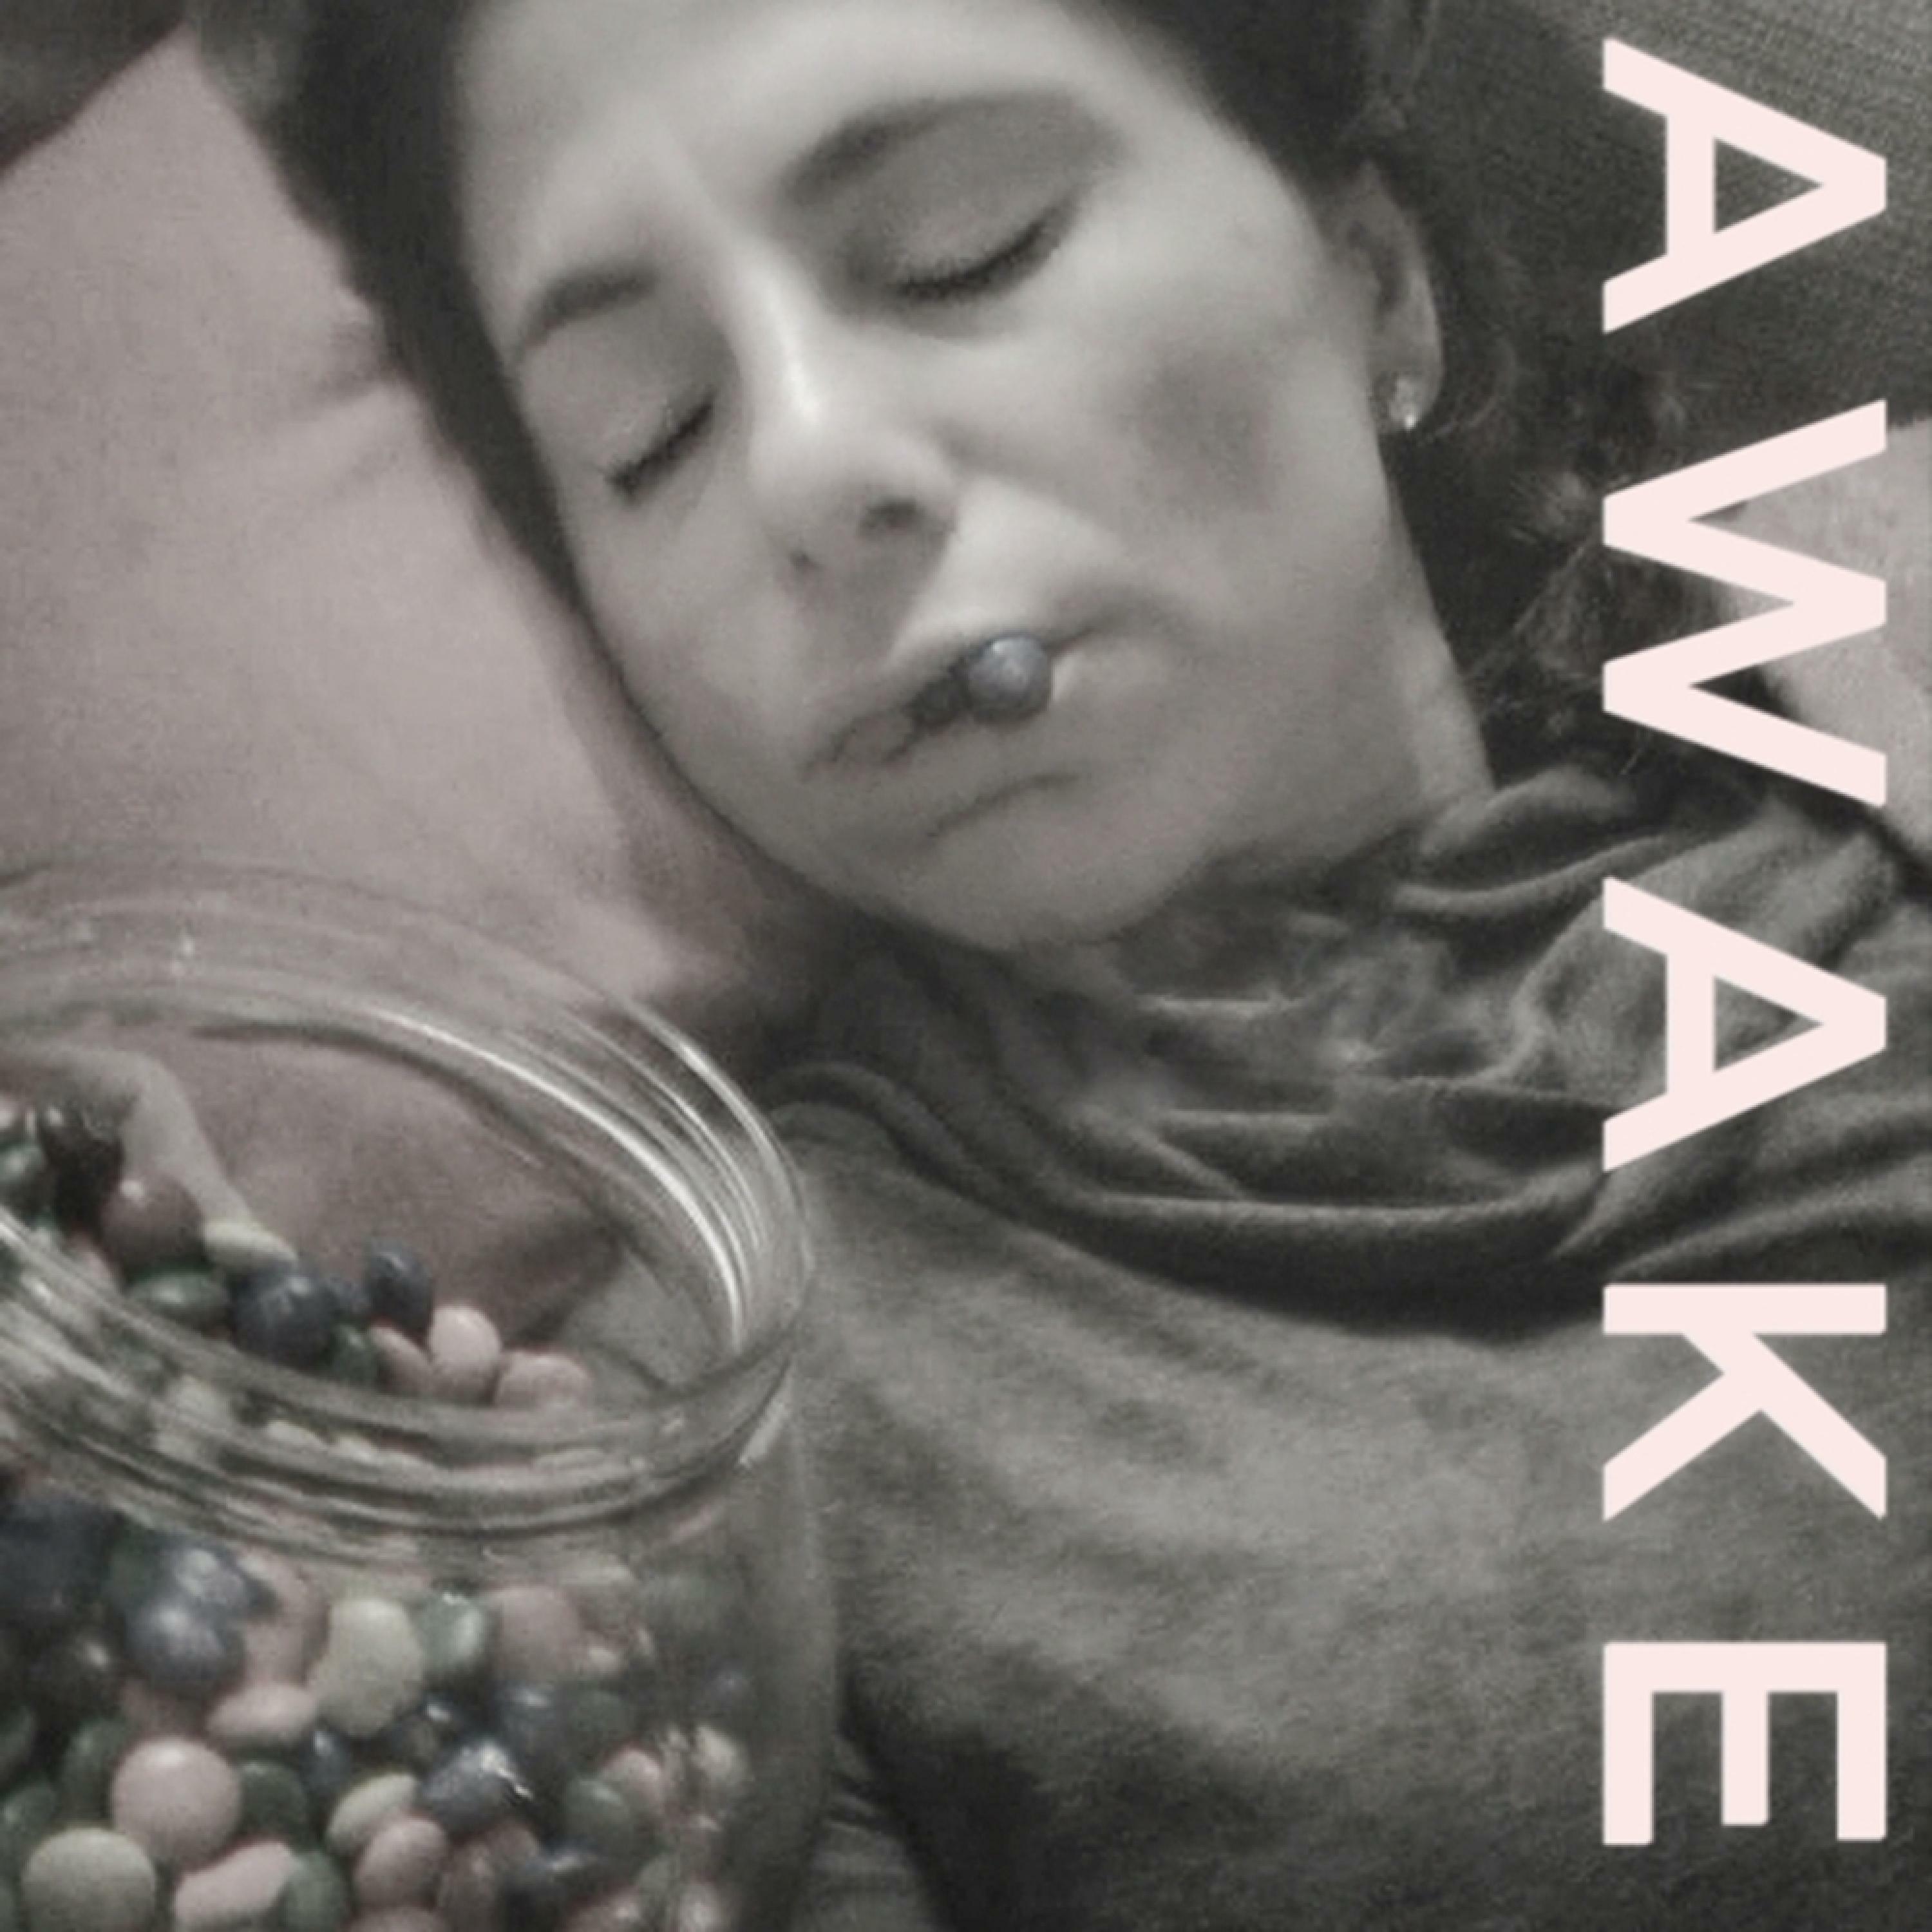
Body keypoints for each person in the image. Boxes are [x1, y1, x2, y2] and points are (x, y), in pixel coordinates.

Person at [225, 0, 1929, 1924]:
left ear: (1378, 284)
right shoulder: (716, 1423)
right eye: (650, 435)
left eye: (970, 249)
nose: (811, 469)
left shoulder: (1871, 659)